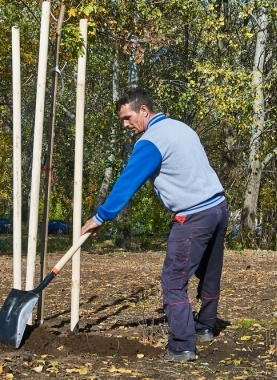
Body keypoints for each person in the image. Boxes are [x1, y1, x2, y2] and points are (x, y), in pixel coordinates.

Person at [81, 87, 230, 362]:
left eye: (127, 118)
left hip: (194, 216)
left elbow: (128, 180)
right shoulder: (181, 128)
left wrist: (102, 216)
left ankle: (182, 346)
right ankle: (206, 327)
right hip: (218, 208)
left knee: (173, 280)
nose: (126, 125)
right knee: (209, 272)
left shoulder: (151, 141)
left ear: (144, 111)